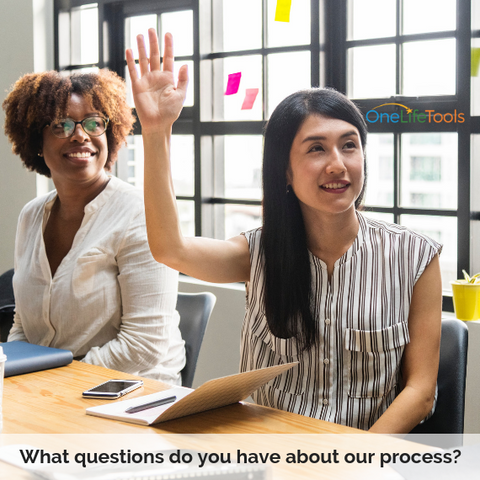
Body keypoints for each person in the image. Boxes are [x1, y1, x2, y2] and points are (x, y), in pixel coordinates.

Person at [126, 29, 442, 432]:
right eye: (316, 148)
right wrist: (156, 131)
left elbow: (420, 391)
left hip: (367, 457)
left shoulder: (415, 256)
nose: (337, 164)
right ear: (286, 172)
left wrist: (355, 461)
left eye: (349, 145)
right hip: (270, 456)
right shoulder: (257, 252)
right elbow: (170, 249)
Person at [2, 69, 185, 384]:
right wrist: (15, 374)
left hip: (132, 391)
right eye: (61, 125)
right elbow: (24, 325)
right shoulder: (31, 216)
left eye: (94, 123)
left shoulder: (140, 213)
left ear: (109, 134)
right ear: (36, 140)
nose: (80, 135)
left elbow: (143, 347)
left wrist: (56, 382)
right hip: (51, 390)